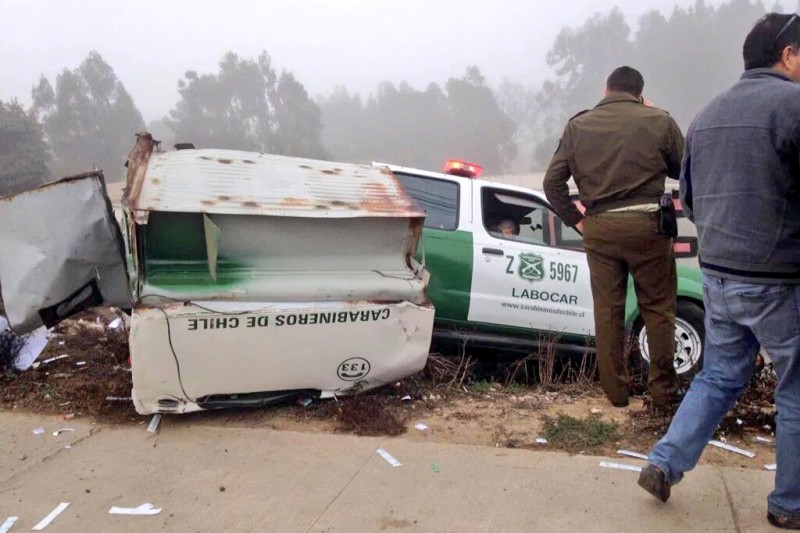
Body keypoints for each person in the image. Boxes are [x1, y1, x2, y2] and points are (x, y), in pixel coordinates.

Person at [638, 13, 800, 529]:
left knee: (719, 376)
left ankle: (664, 461)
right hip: (780, 279)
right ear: (788, 54)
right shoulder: (793, 107)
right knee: (796, 388)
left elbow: (687, 197)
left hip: (719, 276)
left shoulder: (706, 115)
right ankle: (790, 504)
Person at [543, 66, 684, 410]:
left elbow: (552, 183)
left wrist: (577, 220)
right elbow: (685, 170)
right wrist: (652, 114)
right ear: (639, 93)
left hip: (600, 228)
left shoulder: (578, 126)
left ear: (606, 91)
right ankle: (663, 392)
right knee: (658, 308)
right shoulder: (658, 120)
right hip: (648, 224)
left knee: (608, 311)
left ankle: (616, 393)